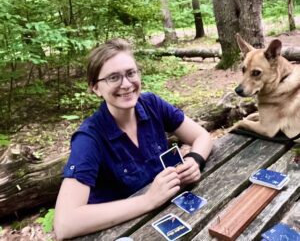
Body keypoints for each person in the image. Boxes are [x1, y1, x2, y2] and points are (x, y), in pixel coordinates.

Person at [54, 38, 213, 240]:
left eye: (131, 73)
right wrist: (148, 200)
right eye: (113, 77)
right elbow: (64, 224)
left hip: (166, 217)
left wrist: (194, 160)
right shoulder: (89, 138)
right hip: (119, 232)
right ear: (95, 88)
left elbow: (201, 135)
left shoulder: (151, 104)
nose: (127, 84)